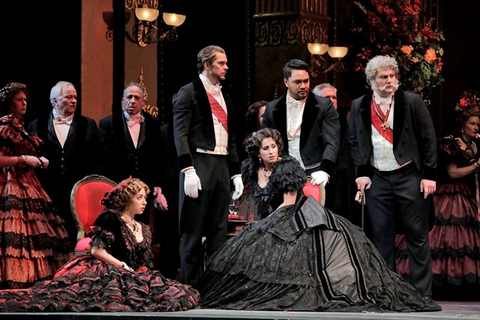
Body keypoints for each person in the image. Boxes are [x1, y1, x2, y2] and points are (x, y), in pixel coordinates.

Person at [197, 155, 441, 312]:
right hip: (304, 213)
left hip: (291, 215)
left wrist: (269, 220)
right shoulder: (277, 167)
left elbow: (288, 201)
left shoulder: (283, 170)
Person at [0, 177, 200, 312]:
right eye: (139, 198)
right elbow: (96, 249)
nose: (144, 202)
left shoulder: (142, 227)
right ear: (127, 200)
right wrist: (120, 265)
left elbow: (142, 259)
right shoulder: (111, 219)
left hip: (131, 270)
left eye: (144, 198)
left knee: (172, 294)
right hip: (109, 267)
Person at [348, 55, 437, 301]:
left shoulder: (412, 101)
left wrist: (428, 175)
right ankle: (387, 294)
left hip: (408, 174)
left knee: (416, 235)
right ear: (371, 81)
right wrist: (362, 173)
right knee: (381, 236)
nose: (390, 81)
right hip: (377, 177)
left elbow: (429, 140)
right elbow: (355, 140)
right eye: (383, 77)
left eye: (392, 76)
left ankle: (422, 295)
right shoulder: (359, 105)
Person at [172, 45, 244, 287]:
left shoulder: (225, 95)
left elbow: (230, 137)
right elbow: (179, 135)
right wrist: (188, 170)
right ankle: (189, 287)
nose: (226, 67)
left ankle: (215, 288)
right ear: (207, 65)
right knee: (192, 231)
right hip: (198, 165)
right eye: (221, 63)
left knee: (219, 231)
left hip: (221, 167)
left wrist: (235, 173)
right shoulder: (188, 92)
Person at [0, 82, 73, 289]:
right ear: (9, 103)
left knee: (37, 230)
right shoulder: (5, 127)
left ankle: (33, 276)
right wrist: (24, 159)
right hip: (9, 183)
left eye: (25, 100)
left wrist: (37, 159)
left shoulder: (21, 126)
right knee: (14, 231)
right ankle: (14, 277)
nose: (24, 103)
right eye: (19, 100)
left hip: (28, 181)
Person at [28, 81, 102, 249]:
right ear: (55, 101)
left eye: (75, 97)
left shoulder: (88, 124)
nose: (74, 101)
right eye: (68, 97)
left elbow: (97, 160)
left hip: (78, 192)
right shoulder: (36, 125)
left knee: (74, 234)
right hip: (47, 191)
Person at [262, 59, 340, 205]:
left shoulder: (324, 106)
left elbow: (332, 142)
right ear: (286, 82)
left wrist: (325, 170)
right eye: (298, 82)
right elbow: (265, 143)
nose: (303, 86)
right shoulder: (272, 108)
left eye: (306, 81)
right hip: (283, 175)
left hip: (316, 174)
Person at [99, 82, 167, 226]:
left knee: (141, 225)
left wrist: (157, 184)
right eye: (129, 97)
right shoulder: (108, 123)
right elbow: (103, 158)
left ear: (143, 101)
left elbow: (158, 156)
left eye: (137, 98)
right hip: (117, 185)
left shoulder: (153, 123)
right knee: (118, 224)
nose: (133, 101)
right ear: (123, 100)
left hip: (144, 185)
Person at [312, 83, 357, 223]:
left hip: (344, 178)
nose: (331, 101)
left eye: (334, 97)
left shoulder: (348, 121)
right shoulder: (310, 123)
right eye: (327, 97)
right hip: (319, 176)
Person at [237, 128, 284, 221]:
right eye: (266, 148)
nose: (271, 151)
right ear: (258, 152)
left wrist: (265, 222)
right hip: (265, 219)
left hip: (286, 218)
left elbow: (289, 204)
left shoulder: (287, 168)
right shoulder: (253, 170)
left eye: (273, 146)